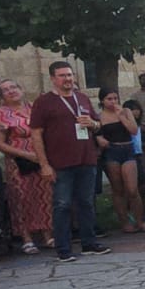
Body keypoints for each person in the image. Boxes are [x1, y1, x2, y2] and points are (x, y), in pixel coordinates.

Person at [29, 61, 112, 263]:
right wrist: (44, 164)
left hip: (86, 158)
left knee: (86, 202)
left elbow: (97, 124)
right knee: (62, 204)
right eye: (62, 76)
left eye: (69, 75)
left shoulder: (82, 98)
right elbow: (36, 134)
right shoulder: (44, 102)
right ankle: (63, 248)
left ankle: (89, 242)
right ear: (53, 79)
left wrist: (92, 124)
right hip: (60, 161)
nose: (67, 79)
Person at [0, 79, 54, 255]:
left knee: (44, 196)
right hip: (19, 161)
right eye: (5, 90)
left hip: (41, 158)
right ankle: (26, 237)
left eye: (13, 87)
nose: (11, 91)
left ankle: (47, 233)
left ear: (21, 88)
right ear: (1, 96)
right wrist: (25, 154)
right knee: (22, 197)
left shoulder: (35, 108)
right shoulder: (0, 115)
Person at [96, 88, 145, 234]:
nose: (113, 102)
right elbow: (98, 134)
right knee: (118, 189)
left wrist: (122, 116)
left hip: (128, 149)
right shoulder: (100, 117)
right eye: (109, 99)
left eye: (115, 98)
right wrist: (100, 139)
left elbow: (134, 130)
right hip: (112, 151)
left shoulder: (126, 111)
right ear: (102, 101)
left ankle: (140, 221)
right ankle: (124, 222)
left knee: (132, 188)